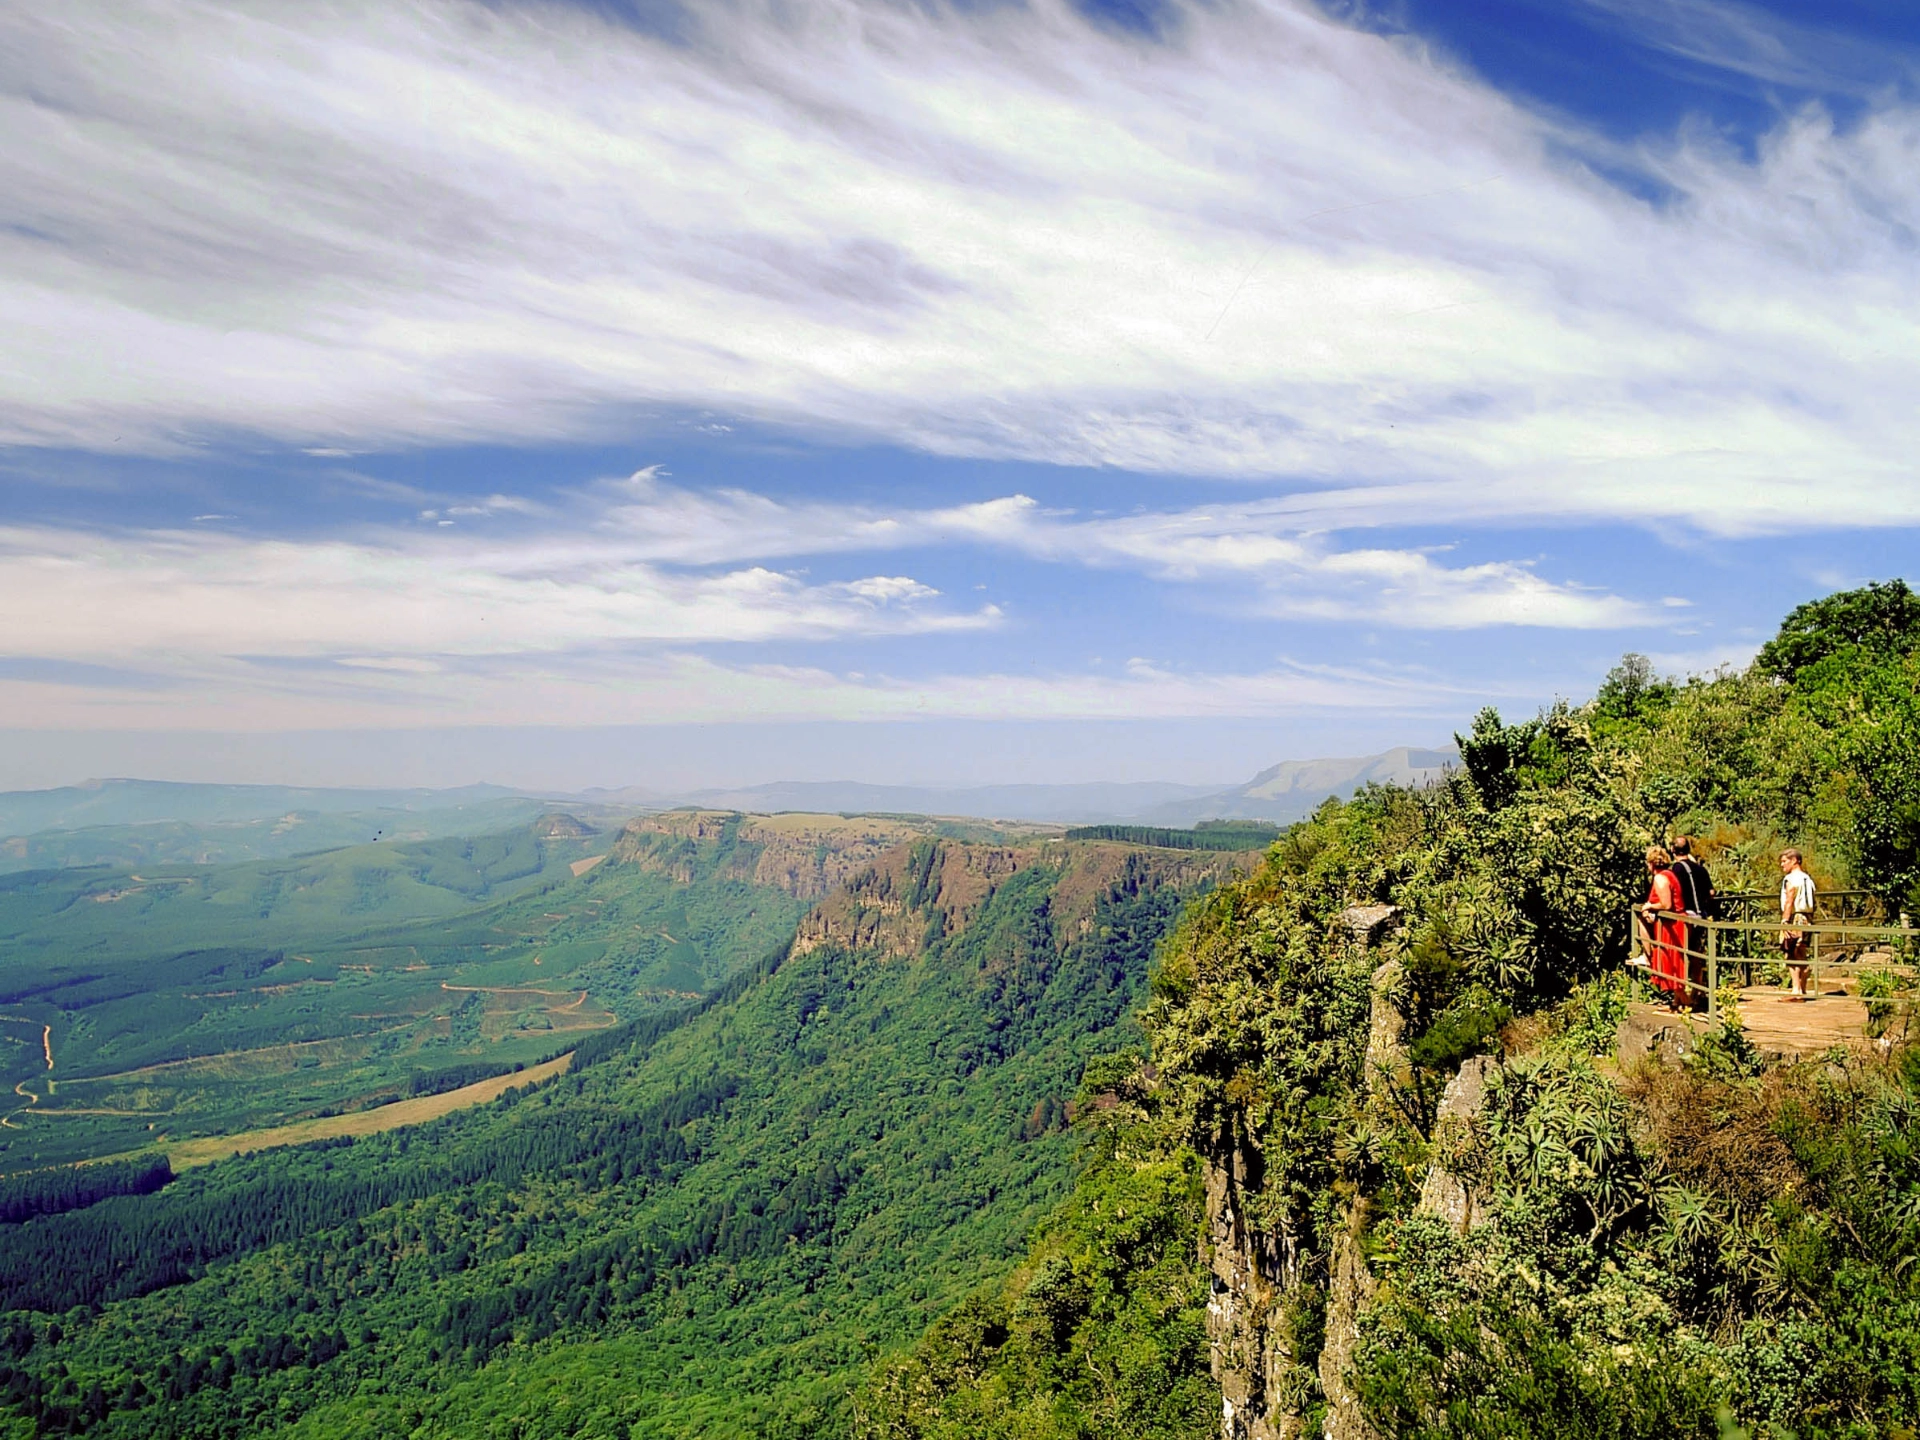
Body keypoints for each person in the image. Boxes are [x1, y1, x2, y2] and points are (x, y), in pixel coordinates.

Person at [1669, 836, 1718, 1010]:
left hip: (1684, 917)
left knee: (1680, 955)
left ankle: (1679, 998)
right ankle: (1696, 993)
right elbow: (1711, 892)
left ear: (1673, 850)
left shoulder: (1675, 870)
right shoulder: (1700, 869)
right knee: (1696, 954)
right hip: (1701, 916)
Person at [1639, 846, 1690, 1011]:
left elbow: (1666, 904)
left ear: (1652, 863)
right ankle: (1677, 1002)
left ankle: (1688, 1002)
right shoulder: (1670, 875)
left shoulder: (1660, 879)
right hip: (1672, 925)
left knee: (1670, 964)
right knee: (1673, 962)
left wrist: (1650, 906)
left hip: (1672, 926)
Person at [1780, 848, 1817, 1000]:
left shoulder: (1791, 879)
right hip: (1807, 918)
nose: (1782, 865)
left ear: (1794, 861)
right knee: (1801, 952)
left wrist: (1785, 920)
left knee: (1791, 952)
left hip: (1795, 917)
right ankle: (1802, 988)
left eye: (1784, 861)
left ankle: (1796, 989)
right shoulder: (1808, 879)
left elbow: (1790, 900)